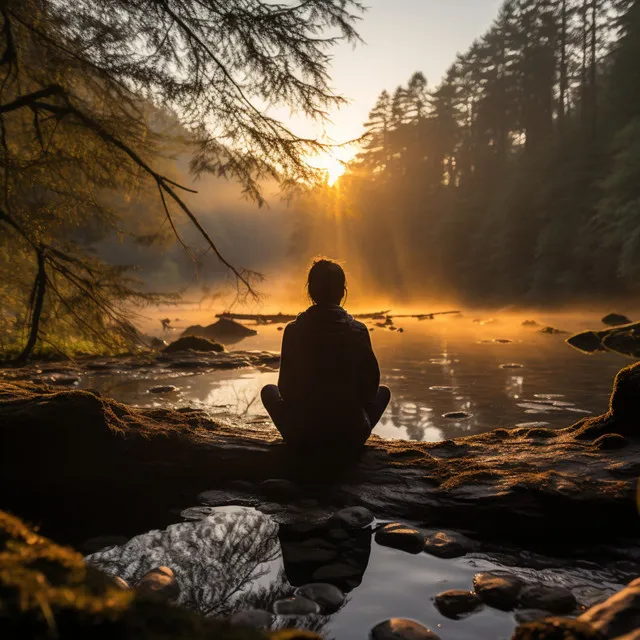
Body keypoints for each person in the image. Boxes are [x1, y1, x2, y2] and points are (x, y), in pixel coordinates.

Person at [261, 259, 390, 451]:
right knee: (383, 392)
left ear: (310, 291)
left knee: (268, 391)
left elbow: (285, 390)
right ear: (342, 292)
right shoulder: (359, 330)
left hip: (301, 435)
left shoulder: (293, 330)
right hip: (350, 436)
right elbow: (370, 391)